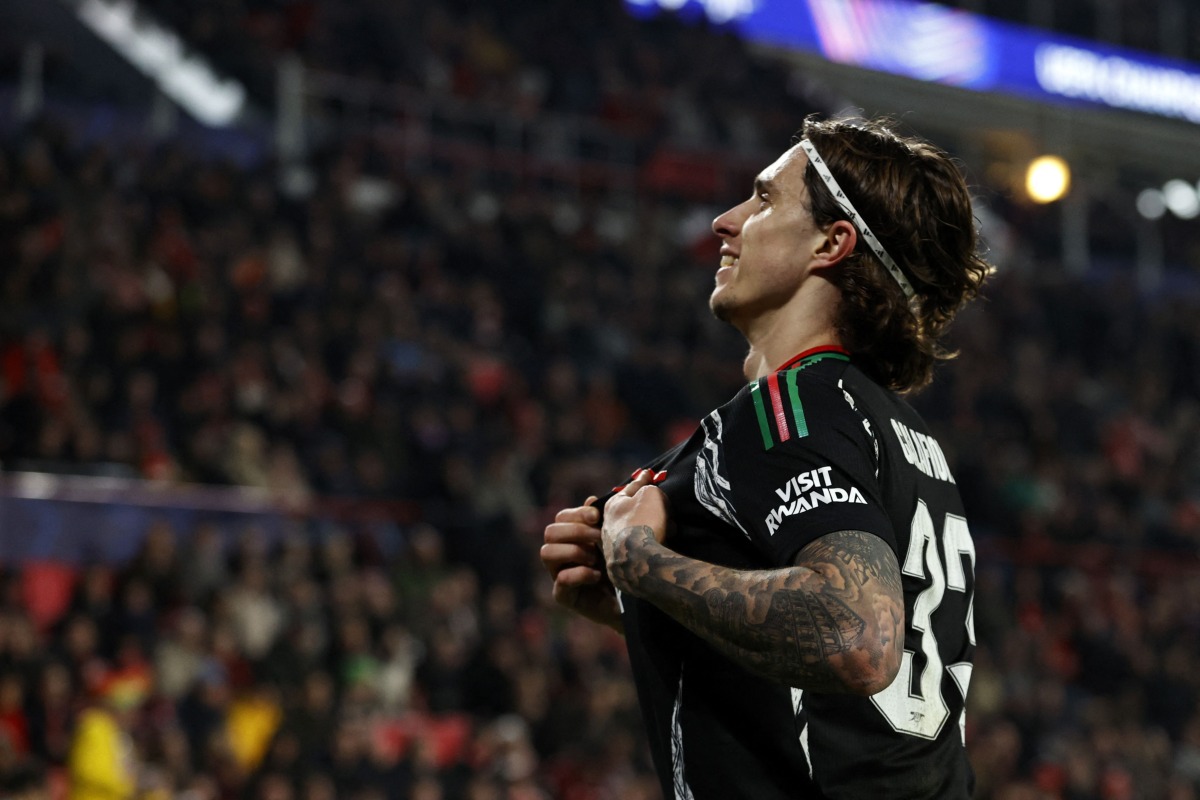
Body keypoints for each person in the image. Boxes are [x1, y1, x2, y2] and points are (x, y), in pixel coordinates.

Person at [541, 115, 990, 798]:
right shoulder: (899, 432)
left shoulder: (789, 407)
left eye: (763, 199)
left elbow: (855, 638)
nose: (726, 221)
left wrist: (643, 562)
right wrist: (645, 606)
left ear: (832, 243)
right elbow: (834, 695)